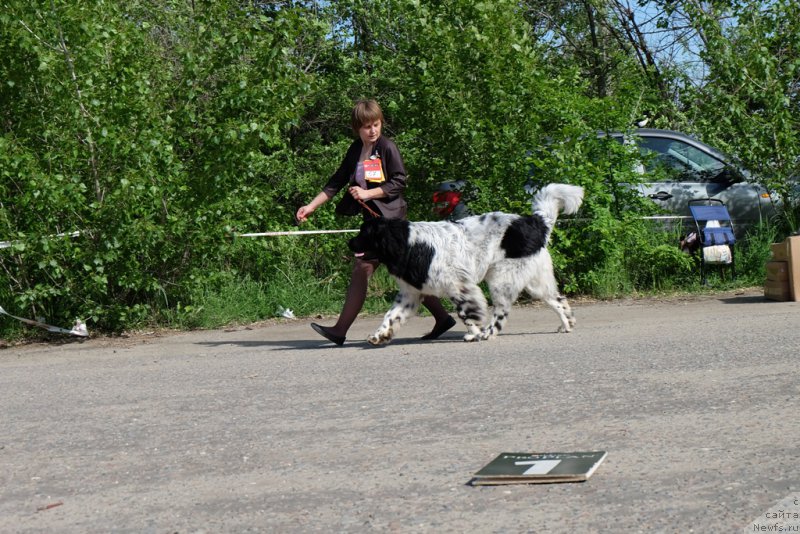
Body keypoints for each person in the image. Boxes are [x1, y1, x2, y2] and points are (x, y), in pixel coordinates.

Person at [296, 99, 456, 345]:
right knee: (408, 273)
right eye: (366, 126)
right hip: (373, 225)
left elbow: (399, 181)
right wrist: (311, 206)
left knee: (365, 268)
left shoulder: (387, 147)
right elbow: (336, 182)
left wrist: (368, 193)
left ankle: (339, 330)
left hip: (391, 224)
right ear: (357, 128)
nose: (372, 130)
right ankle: (443, 318)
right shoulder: (354, 150)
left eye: (376, 124)